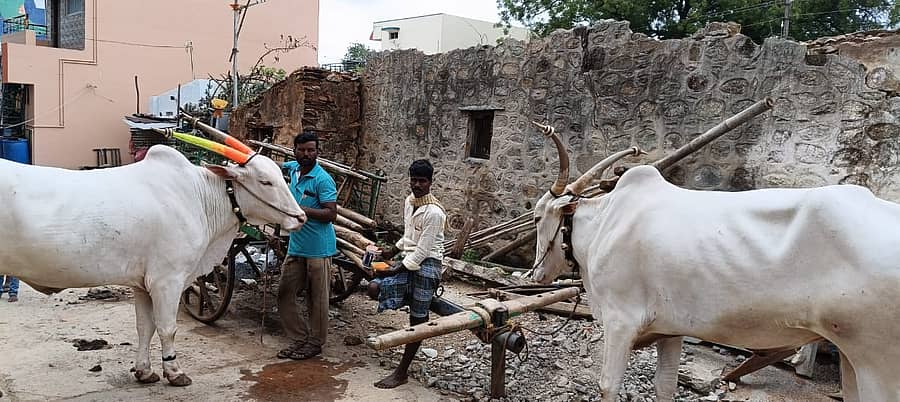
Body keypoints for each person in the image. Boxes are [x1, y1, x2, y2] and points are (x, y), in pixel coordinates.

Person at [368, 159, 446, 389]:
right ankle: (408, 295)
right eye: (414, 180)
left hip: (429, 262)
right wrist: (392, 251)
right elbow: (409, 237)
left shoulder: (435, 213)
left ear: (430, 182)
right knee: (374, 288)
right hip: (410, 258)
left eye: (422, 181)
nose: (417, 185)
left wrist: (398, 267)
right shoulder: (409, 202)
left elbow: (423, 250)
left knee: (418, 318)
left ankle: (402, 372)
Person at [276, 131, 337, 360]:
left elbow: (331, 214)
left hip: (319, 249)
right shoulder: (293, 169)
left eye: (311, 150)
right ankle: (299, 337)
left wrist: (300, 210)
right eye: (301, 150)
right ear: (294, 151)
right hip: (296, 246)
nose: (306, 154)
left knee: (317, 299)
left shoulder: (322, 179)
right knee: (284, 293)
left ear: (317, 152)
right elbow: (276, 167)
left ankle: (315, 343)